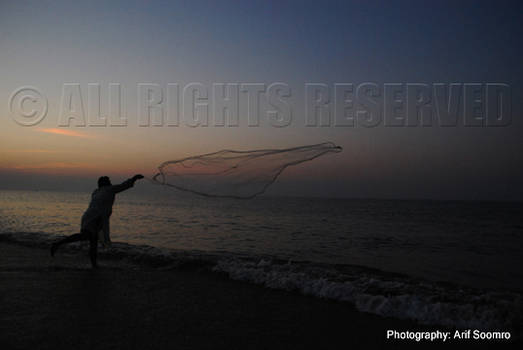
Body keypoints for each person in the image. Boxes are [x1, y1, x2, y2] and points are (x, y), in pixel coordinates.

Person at [51, 174, 144, 268]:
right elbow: (124, 185)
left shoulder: (96, 191)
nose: (111, 183)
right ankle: (58, 243)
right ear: (105, 183)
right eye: (109, 181)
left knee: (93, 241)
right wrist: (134, 178)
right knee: (86, 237)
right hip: (94, 218)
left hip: (89, 216)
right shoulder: (109, 189)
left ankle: (94, 265)